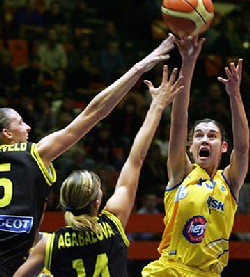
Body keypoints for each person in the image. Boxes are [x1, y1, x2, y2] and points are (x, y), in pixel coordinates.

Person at [0, 33, 176, 276]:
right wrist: (139, 68)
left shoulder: (50, 245)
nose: (28, 127)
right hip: (11, 261)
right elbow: (93, 114)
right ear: (6, 134)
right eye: (20, 123)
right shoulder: (35, 153)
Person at [142, 36, 249, 277]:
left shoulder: (229, 183)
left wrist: (235, 95)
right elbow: (179, 123)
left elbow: (242, 149)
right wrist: (188, 63)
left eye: (212, 136)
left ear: (223, 147)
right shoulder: (182, 173)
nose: (204, 139)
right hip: (170, 270)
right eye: (199, 135)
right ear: (190, 146)